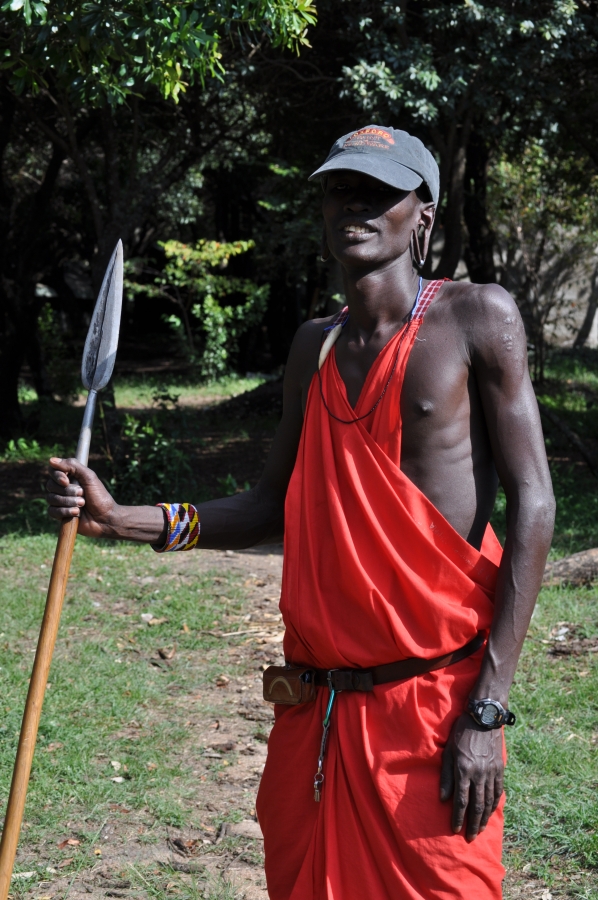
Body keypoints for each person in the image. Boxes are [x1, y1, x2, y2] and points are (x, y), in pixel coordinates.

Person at [46, 125, 555, 900]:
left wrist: (488, 710)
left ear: (423, 215)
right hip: (312, 716)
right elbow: (264, 509)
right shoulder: (313, 346)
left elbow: (535, 505)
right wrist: (122, 519)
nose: (353, 206)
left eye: (378, 194)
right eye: (338, 189)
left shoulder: (476, 318)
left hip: (431, 710)